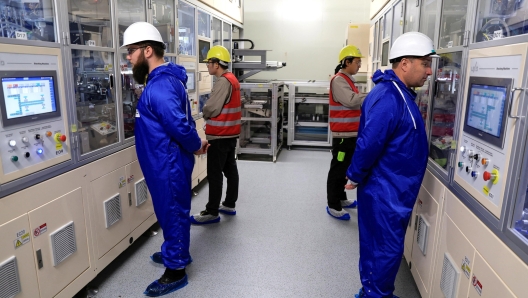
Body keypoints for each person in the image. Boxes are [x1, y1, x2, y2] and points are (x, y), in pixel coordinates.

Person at [344, 32, 439, 298]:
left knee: (385, 247)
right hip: (384, 189)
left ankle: (376, 291)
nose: (429, 72)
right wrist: (354, 174)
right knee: (383, 248)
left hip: (394, 188)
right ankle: (375, 294)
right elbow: (369, 142)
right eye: (425, 64)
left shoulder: (401, 93)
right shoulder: (389, 96)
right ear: (405, 64)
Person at [122, 22, 208, 297]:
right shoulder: (163, 81)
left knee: (172, 211)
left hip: (167, 162)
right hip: (163, 160)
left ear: (148, 51)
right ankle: (175, 248)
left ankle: (176, 270)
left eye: (131, 51)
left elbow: (180, 126)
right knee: (169, 210)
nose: (128, 57)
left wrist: (195, 146)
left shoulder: (160, 86)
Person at [191, 45, 241, 225]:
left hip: (220, 136)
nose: (207, 66)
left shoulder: (223, 81)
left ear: (217, 64)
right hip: (230, 134)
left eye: (209, 63)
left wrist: (204, 111)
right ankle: (228, 204)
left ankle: (211, 212)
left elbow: (212, 108)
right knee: (230, 170)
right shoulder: (232, 79)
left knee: (214, 174)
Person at [326, 45, 368, 220]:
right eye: (357, 62)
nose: (359, 65)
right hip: (343, 136)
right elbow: (351, 101)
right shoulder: (339, 80)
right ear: (347, 62)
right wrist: (372, 94)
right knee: (339, 168)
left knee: (346, 168)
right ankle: (333, 204)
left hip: (351, 134)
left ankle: (341, 198)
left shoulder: (348, 79)